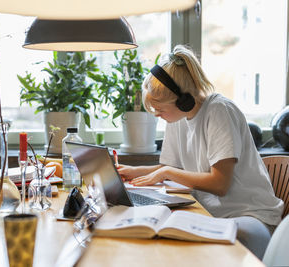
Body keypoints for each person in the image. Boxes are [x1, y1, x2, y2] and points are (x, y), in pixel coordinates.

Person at [117, 45, 283, 259]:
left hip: (251, 217)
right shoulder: (176, 118)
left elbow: (219, 184)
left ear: (183, 101)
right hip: (212, 213)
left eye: (160, 109)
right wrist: (132, 171)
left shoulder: (219, 111)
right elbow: (172, 168)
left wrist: (166, 172)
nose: (157, 115)